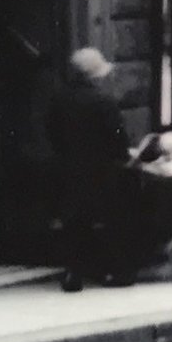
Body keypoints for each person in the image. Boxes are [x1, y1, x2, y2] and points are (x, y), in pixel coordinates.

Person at [45, 48, 134, 292]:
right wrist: (124, 157)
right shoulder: (104, 102)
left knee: (73, 221)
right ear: (95, 76)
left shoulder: (59, 99)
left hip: (70, 167)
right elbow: (118, 138)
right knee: (111, 218)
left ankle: (73, 274)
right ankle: (118, 271)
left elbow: (52, 133)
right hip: (101, 169)